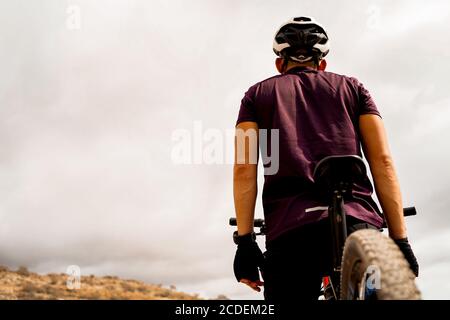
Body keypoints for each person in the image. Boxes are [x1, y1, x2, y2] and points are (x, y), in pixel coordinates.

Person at [232, 16, 419, 301]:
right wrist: (400, 241)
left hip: (291, 232)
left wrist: (245, 244)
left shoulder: (257, 96)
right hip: (356, 220)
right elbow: (382, 161)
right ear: (322, 63)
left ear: (279, 64)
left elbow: (245, 169)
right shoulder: (354, 89)